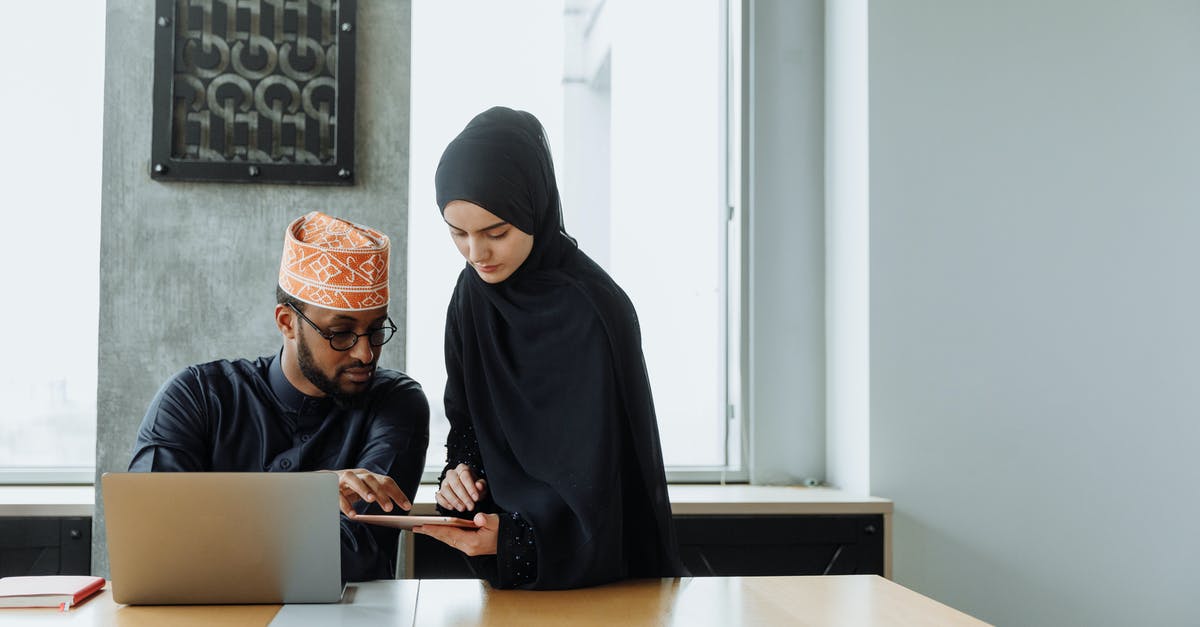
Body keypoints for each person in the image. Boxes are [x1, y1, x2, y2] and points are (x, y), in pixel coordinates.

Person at [413, 106, 683, 589]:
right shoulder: (471, 295)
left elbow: (604, 487)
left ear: (534, 209)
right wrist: (461, 473)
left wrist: (515, 539)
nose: (477, 254)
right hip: (508, 574)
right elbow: (468, 421)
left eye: (496, 232)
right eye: (458, 234)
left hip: (607, 582)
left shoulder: (593, 309)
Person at [128, 211, 429, 582]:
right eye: (341, 333)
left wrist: (211, 534)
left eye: (376, 330)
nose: (365, 353)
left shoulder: (397, 402)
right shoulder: (196, 397)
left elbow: (356, 554)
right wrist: (297, 498)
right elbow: (150, 538)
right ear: (287, 322)